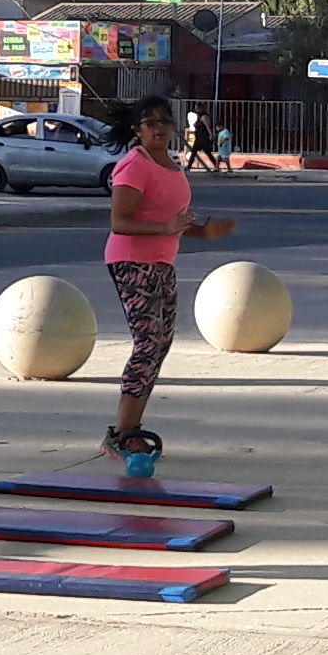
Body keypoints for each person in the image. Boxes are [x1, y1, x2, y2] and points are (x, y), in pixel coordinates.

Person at [100, 96, 232, 455]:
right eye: (150, 122)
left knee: (160, 344)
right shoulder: (134, 165)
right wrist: (165, 228)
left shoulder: (171, 163)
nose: (159, 127)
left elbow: (172, 220)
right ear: (138, 130)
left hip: (162, 261)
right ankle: (121, 434)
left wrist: (203, 232)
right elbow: (120, 222)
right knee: (147, 343)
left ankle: (131, 428)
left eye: (164, 121)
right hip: (131, 260)